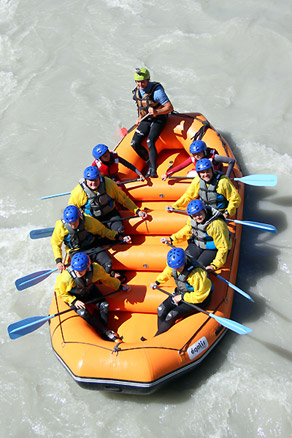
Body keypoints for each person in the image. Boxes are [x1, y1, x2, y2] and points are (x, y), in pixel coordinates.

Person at [54, 252, 127, 341]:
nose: (78, 273)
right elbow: (60, 292)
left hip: (88, 290)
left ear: (87, 267)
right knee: (83, 313)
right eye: (76, 270)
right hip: (74, 296)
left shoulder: (95, 269)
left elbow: (106, 279)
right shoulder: (65, 278)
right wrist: (74, 301)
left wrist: (119, 285)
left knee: (105, 305)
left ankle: (104, 331)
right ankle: (106, 331)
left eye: (81, 270)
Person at [51, 205, 130, 277]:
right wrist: (58, 260)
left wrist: (118, 236)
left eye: (75, 222)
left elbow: (102, 230)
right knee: (82, 273)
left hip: (92, 246)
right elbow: (55, 244)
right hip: (76, 251)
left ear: (79, 218)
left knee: (108, 263)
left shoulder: (88, 220)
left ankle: (108, 275)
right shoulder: (60, 227)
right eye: (70, 223)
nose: (73, 225)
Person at [150, 248, 213, 336]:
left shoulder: (197, 274)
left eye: (179, 267)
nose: (177, 270)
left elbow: (201, 295)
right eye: (175, 268)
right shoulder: (174, 265)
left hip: (199, 299)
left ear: (184, 262)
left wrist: (183, 297)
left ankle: (157, 338)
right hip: (182, 292)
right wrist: (157, 282)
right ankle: (159, 337)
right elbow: (167, 272)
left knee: (171, 315)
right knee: (160, 309)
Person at [68, 166, 147, 235]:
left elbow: (123, 198)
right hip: (92, 219)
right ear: (86, 180)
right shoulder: (78, 191)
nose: (93, 183)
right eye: (90, 180)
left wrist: (137, 211)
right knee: (96, 237)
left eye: (96, 179)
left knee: (119, 230)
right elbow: (72, 209)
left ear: (99, 178)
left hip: (110, 214)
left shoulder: (108, 183)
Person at [162, 199, 232, 272]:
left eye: (199, 214)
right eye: (194, 216)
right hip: (198, 244)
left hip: (213, 248)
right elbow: (186, 231)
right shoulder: (192, 220)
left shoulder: (216, 225)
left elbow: (223, 247)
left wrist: (214, 265)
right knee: (183, 262)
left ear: (204, 210)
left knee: (197, 269)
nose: (197, 217)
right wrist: (172, 239)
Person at [131, 67, 174, 178]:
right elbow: (140, 106)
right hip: (146, 118)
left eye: (143, 82)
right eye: (138, 82)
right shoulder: (137, 91)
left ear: (148, 80)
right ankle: (148, 160)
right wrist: (138, 117)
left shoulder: (157, 91)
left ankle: (153, 169)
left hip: (159, 117)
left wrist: (156, 111)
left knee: (150, 141)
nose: (140, 84)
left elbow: (169, 107)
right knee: (134, 143)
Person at [169, 158, 241, 219]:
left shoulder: (223, 182)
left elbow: (235, 199)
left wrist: (227, 213)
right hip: (204, 213)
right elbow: (188, 196)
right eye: (202, 172)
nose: (205, 174)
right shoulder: (197, 180)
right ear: (199, 174)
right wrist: (174, 206)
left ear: (212, 170)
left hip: (219, 213)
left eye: (208, 171)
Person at [161, 140, 235, 180]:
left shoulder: (214, 157)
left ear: (204, 151)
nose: (196, 156)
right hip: (204, 174)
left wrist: (227, 176)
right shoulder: (193, 157)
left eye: (199, 153)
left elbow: (231, 161)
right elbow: (181, 166)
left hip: (214, 174)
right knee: (190, 175)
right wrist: (167, 173)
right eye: (194, 154)